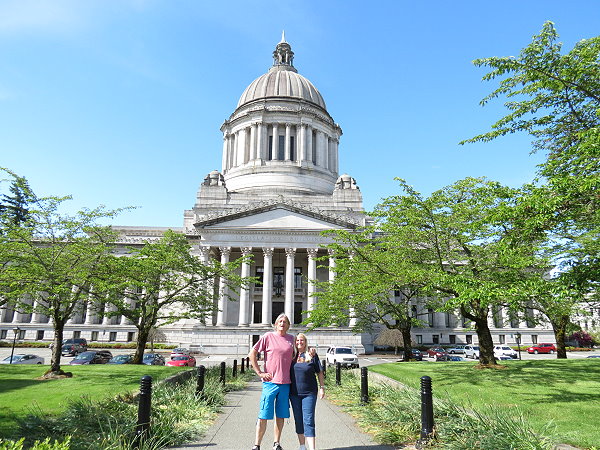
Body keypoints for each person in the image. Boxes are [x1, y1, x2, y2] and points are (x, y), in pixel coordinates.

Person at [249, 313, 295, 450]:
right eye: (280, 321)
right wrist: (259, 372)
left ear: (288, 325)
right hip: (270, 383)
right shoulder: (268, 336)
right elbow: (252, 353)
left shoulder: (291, 339)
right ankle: (257, 445)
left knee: (280, 416)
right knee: (263, 415)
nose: (282, 323)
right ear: (275, 324)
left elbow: (297, 356)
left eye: (285, 322)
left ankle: (276, 443)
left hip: (285, 383)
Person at [289, 333, 325, 450]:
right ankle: (302, 446)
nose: (299, 342)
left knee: (308, 420)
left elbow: (319, 372)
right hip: (294, 394)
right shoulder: (291, 355)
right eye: (297, 340)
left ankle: (312, 448)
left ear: (306, 342)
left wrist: (322, 387)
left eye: (302, 340)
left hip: (309, 394)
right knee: (298, 420)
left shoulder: (312, 355)